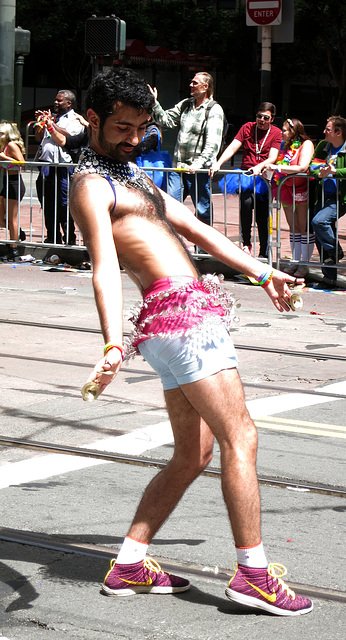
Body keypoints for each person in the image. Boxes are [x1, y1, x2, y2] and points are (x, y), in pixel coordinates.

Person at [70, 67, 312, 617]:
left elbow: (198, 229)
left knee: (193, 452)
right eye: (122, 128)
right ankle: (253, 574)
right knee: (240, 436)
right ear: (93, 120)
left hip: (177, 321)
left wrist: (263, 272)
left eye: (140, 127)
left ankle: (131, 561)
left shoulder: (129, 174)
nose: (134, 138)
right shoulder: (92, 184)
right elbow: (104, 267)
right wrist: (111, 344)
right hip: (180, 319)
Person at [149, 72, 224, 225]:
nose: (191, 85)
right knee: (169, 209)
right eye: (191, 82)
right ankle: (172, 245)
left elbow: (212, 145)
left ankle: (202, 248)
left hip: (199, 171)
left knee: (203, 212)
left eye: (195, 83)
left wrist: (197, 165)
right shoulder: (186, 105)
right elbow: (166, 120)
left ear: (205, 87)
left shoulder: (214, 110)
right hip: (179, 169)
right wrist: (154, 103)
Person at [211, 103, 282, 259]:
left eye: (266, 117)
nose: (261, 120)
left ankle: (264, 251)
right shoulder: (247, 127)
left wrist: (259, 166)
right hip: (246, 175)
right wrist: (218, 163)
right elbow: (232, 147)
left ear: (272, 119)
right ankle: (246, 244)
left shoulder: (276, 132)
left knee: (263, 214)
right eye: (259, 116)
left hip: (263, 176)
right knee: (246, 203)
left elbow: (273, 157)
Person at [262, 118, 315, 278]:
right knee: (293, 227)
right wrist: (270, 171)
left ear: (294, 131)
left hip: (302, 189)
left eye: (285, 130)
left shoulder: (306, 144)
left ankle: (304, 263)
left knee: (303, 227)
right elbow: (281, 165)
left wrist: (278, 167)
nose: (282, 132)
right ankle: (295, 260)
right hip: (286, 188)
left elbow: (302, 167)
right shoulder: (285, 146)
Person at [35, 90, 84, 244]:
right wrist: (41, 123)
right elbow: (38, 138)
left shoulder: (74, 119)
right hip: (46, 166)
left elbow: (69, 137)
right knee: (47, 204)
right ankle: (52, 236)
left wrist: (52, 125)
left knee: (64, 205)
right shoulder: (52, 118)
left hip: (62, 167)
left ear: (69, 103)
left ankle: (69, 238)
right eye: (55, 100)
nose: (55, 103)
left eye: (59, 101)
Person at [309, 116, 346, 289]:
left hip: (339, 197)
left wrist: (334, 172)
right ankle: (329, 278)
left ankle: (336, 251)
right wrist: (320, 173)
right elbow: (312, 166)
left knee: (319, 221)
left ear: (338, 133)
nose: (324, 131)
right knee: (320, 235)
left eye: (328, 129)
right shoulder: (323, 146)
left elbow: (342, 170)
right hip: (321, 195)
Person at [0, 122, 26, 261]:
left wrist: (4, 157)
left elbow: (21, 162)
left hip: (14, 182)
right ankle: (17, 234)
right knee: (2, 217)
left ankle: (13, 251)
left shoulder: (11, 145)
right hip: (7, 181)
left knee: (12, 218)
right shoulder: (4, 146)